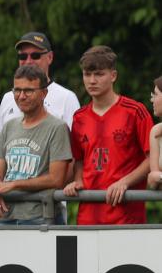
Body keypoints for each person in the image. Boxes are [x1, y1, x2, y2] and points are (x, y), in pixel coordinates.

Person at [63, 46, 152, 224]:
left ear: (113, 75)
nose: (92, 81)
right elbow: (79, 159)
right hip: (89, 214)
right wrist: (78, 180)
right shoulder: (79, 117)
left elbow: (153, 159)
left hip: (126, 215)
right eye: (87, 75)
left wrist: (124, 182)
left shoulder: (135, 111)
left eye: (99, 74)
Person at [0, 66, 72, 225]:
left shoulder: (57, 127)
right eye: (17, 90)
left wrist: (13, 184)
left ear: (44, 93)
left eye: (28, 91)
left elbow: (56, 179)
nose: (21, 96)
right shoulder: (9, 126)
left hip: (40, 217)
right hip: (4, 215)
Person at [0, 32, 80, 135]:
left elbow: (75, 144)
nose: (28, 61)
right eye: (23, 56)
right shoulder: (8, 98)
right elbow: (1, 143)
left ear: (50, 57)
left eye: (35, 56)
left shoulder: (67, 98)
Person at [148, 76, 162, 191]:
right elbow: (152, 181)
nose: (152, 100)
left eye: (155, 95)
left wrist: (159, 176)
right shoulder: (156, 132)